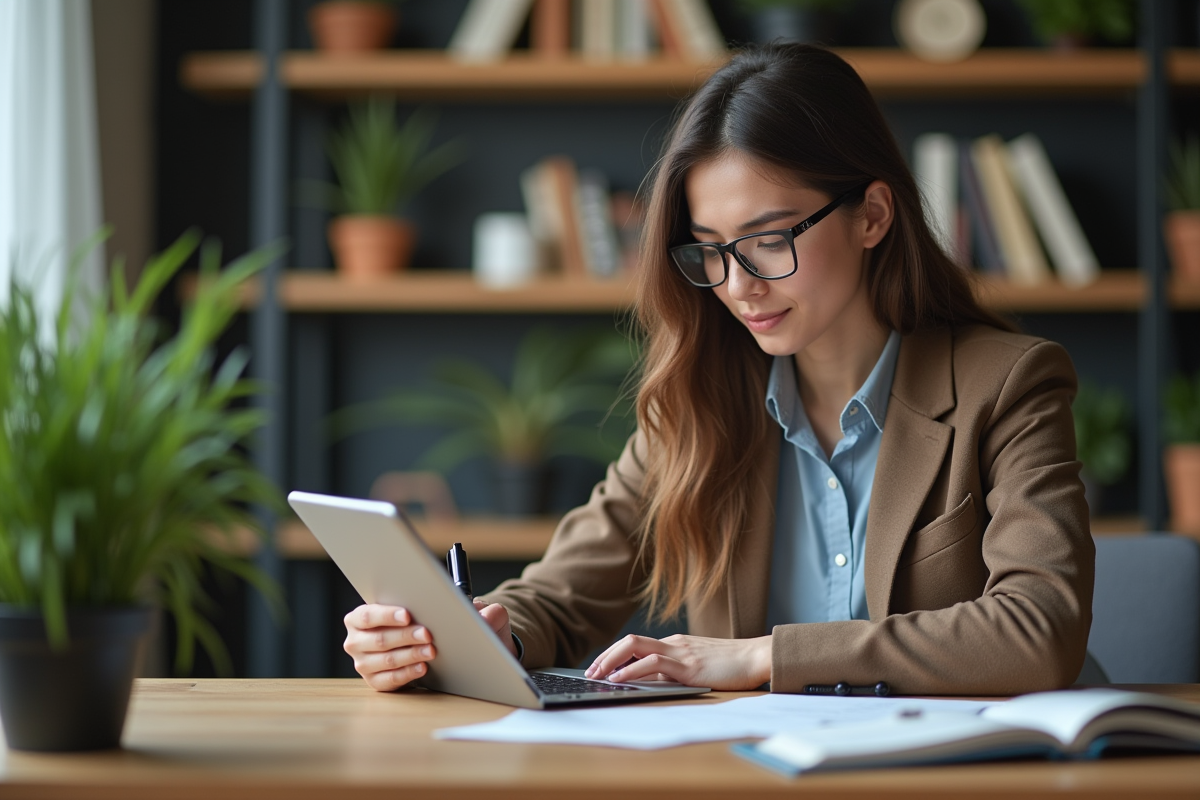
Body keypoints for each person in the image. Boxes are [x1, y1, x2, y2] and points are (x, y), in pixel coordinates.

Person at [343, 44, 1094, 696]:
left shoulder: (1009, 384)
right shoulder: (698, 403)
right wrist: (466, 637)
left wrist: (761, 658)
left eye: (769, 240)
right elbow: (560, 598)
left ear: (872, 215)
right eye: (711, 248)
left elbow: (1039, 628)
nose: (737, 285)